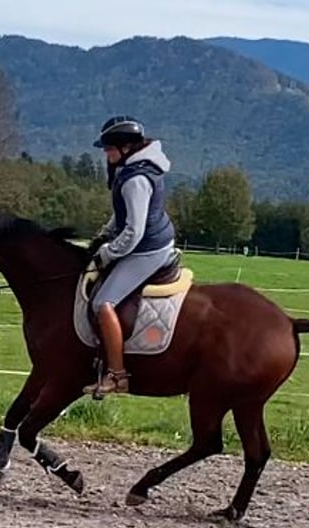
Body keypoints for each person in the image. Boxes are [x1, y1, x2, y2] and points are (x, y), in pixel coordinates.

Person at [82, 115, 177, 397]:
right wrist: (104, 233)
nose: (106, 154)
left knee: (103, 302)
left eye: (110, 149)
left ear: (126, 148)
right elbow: (122, 214)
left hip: (148, 248)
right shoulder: (133, 169)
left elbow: (134, 231)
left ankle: (117, 375)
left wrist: (107, 254)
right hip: (146, 240)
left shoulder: (136, 179)